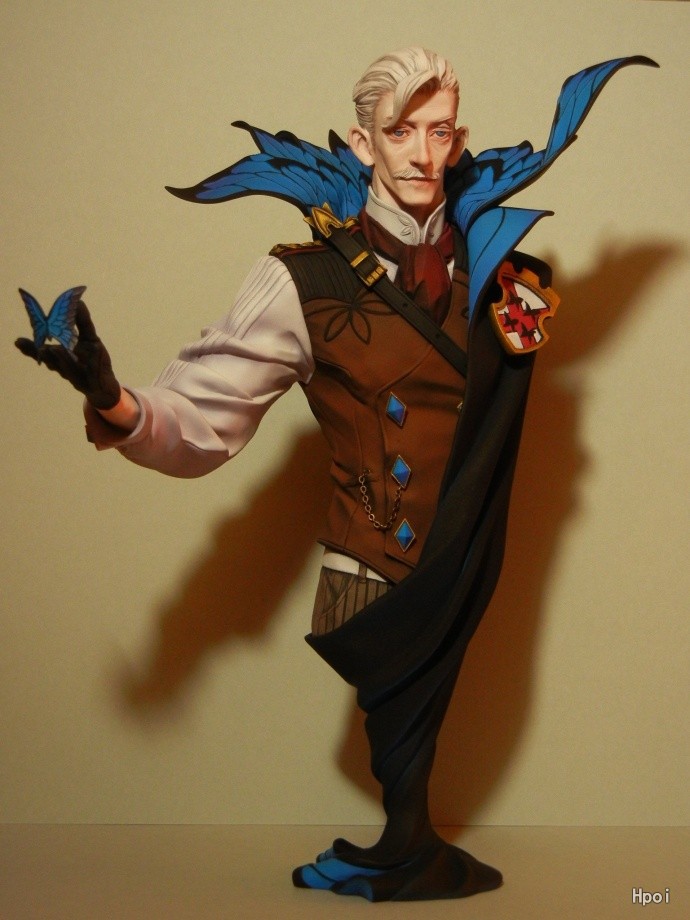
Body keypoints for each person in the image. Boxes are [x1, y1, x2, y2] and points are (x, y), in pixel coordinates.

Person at [15, 47, 654, 901]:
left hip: (464, 554)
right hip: (371, 568)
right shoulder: (303, 280)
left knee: (422, 737)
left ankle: (408, 843)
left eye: (439, 132)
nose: (422, 154)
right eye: (400, 132)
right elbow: (204, 416)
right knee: (399, 733)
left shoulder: (502, 268)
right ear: (363, 143)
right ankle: (402, 843)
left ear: (459, 138)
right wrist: (117, 402)